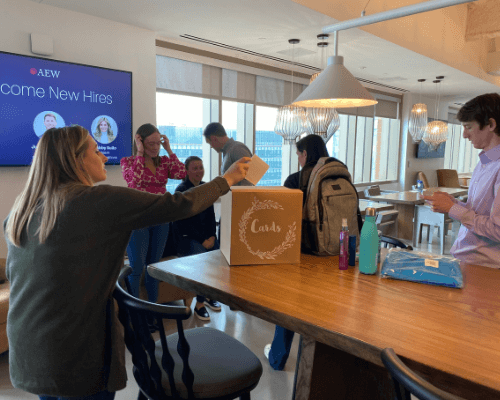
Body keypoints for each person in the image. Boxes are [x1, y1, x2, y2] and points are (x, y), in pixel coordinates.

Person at [3, 125, 249, 400]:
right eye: (96, 151)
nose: (103, 158)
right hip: (74, 351)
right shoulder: (97, 200)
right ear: (77, 160)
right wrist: (226, 179)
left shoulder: (21, 210)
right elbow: (177, 204)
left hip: (28, 347)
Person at [264, 134, 334, 371]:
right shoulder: (335, 174)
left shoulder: (295, 179)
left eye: (298, 153)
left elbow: (283, 219)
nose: (297, 158)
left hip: (303, 253)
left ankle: (277, 357)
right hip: (333, 251)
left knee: (289, 305)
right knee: (324, 307)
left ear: (305, 154)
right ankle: (319, 364)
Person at [423, 93, 500, 269]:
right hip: (466, 258)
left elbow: (498, 230)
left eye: (468, 127)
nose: (464, 135)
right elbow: (479, 212)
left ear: (491, 124)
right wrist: (453, 203)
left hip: (486, 267)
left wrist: (453, 209)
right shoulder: (484, 163)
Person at [120, 123, 186, 314]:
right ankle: (135, 313)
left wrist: (169, 150)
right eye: (151, 143)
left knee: (153, 268)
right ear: (139, 141)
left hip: (161, 219)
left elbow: (181, 173)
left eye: (158, 143)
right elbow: (135, 180)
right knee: (137, 269)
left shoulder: (164, 162)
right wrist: (140, 153)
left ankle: (152, 312)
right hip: (139, 220)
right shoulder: (129, 161)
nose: (155, 147)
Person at [173, 156, 221, 321]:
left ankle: (207, 295)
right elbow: (184, 224)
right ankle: (199, 304)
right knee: (203, 259)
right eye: (195, 168)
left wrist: (213, 236)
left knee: (219, 256)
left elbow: (210, 217)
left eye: (201, 167)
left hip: (206, 237)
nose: (199, 171)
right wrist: (203, 240)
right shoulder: (181, 190)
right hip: (187, 239)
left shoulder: (206, 188)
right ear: (187, 171)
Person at [203, 122, 253, 186]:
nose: (211, 147)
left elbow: (249, 177)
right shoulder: (230, 150)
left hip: (239, 195)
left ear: (214, 139)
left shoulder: (237, 148)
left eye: (209, 143)